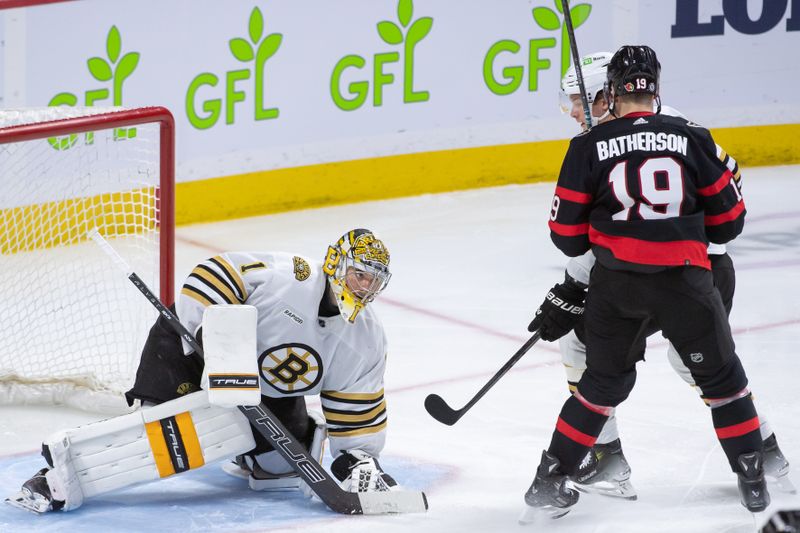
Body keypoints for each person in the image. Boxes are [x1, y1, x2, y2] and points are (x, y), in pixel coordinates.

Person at [528, 53, 793, 499]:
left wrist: (575, 283)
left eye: (578, 99)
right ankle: (750, 455)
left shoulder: (646, 134)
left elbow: (596, 230)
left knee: (679, 365)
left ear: (606, 94)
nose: (573, 111)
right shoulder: (680, 133)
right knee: (589, 343)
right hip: (681, 272)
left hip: (695, 268)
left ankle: (761, 448)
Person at [9, 228, 399, 513]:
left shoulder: (365, 339)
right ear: (336, 264)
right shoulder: (289, 277)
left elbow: (358, 410)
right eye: (359, 275)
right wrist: (222, 350)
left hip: (262, 394)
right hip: (189, 352)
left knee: (280, 468)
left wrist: (358, 461)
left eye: (374, 281)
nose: (365, 288)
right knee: (164, 434)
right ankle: (57, 477)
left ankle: (253, 450)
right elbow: (215, 272)